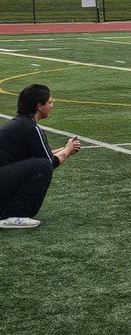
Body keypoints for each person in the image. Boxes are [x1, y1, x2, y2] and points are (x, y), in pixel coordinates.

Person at [0, 84, 81, 229]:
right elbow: (49, 163)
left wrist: (66, 149)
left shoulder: (21, 124)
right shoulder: (31, 128)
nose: (52, 105)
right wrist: (67, 150)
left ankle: (8, 212)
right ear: (39, 106)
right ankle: (15, 215)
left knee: (39, 163)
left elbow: (44, 155)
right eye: (50, 102)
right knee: (42, 166)